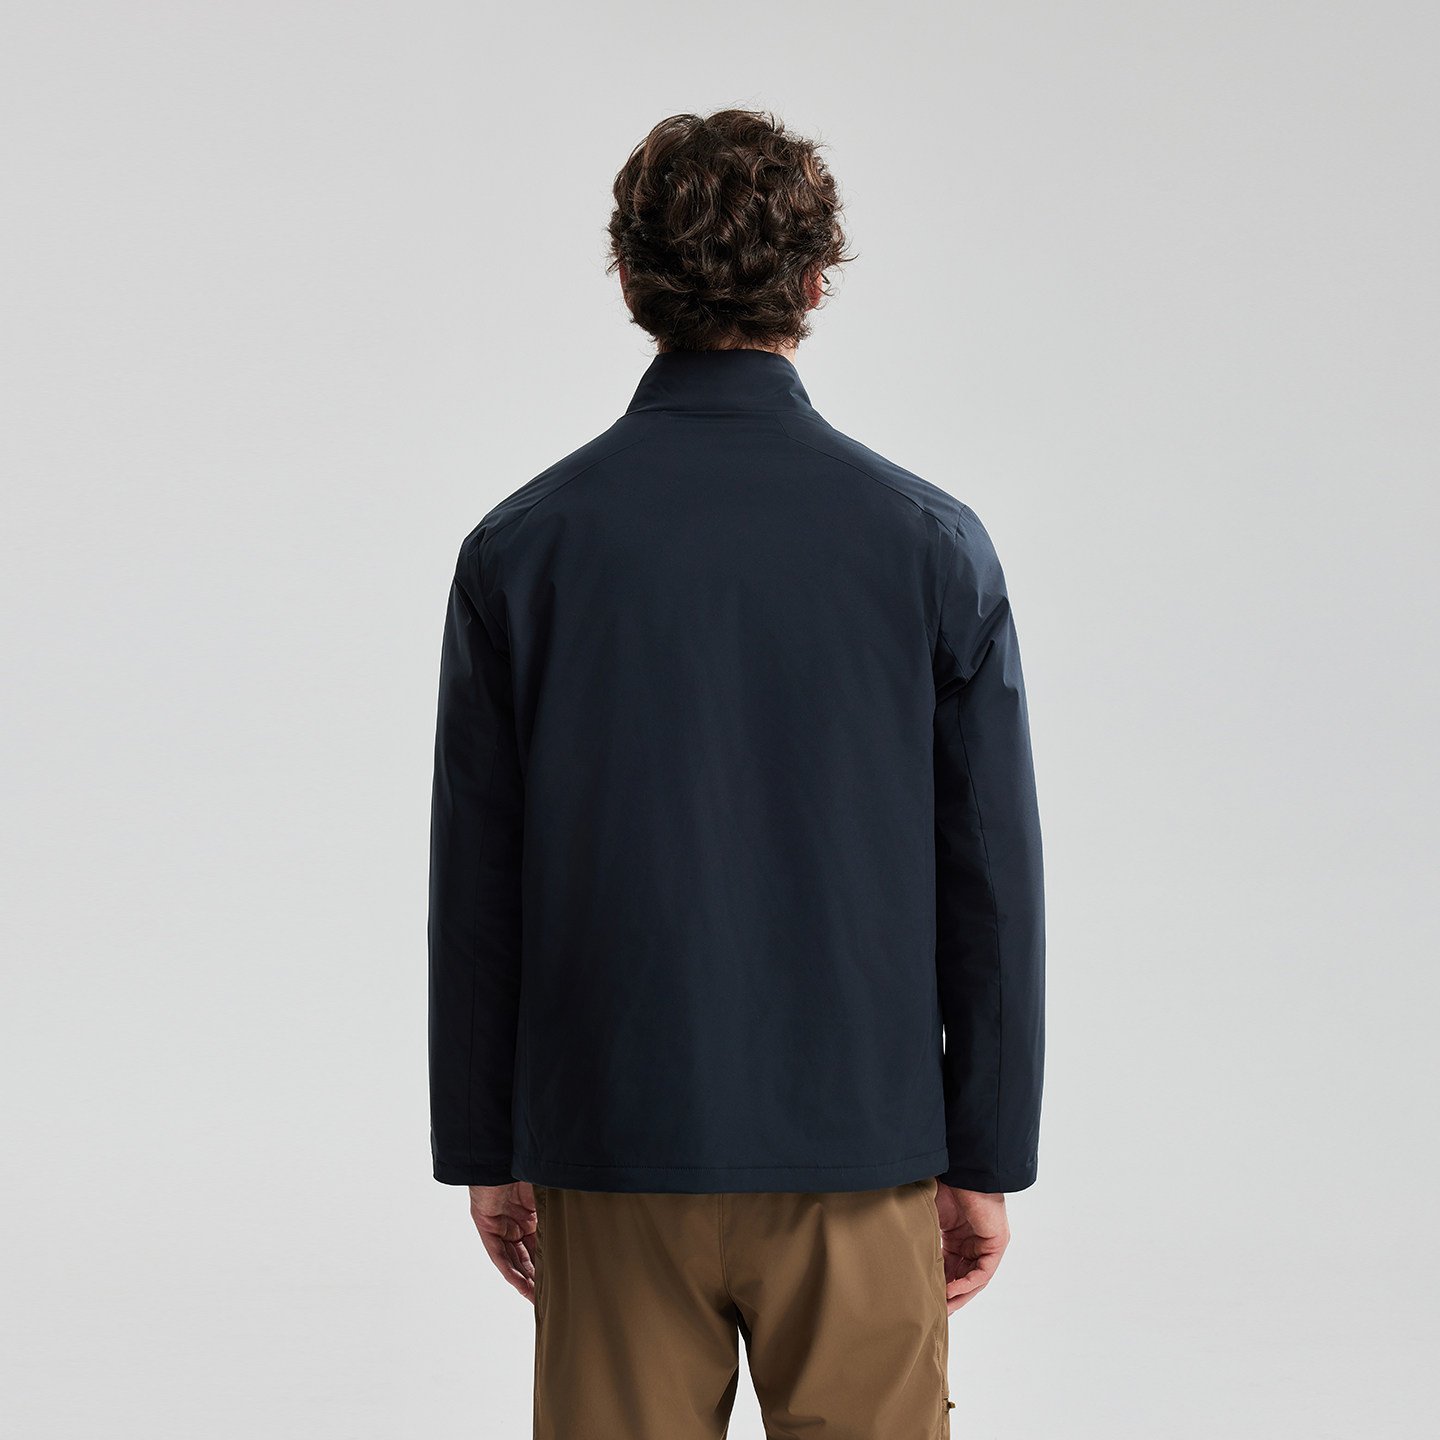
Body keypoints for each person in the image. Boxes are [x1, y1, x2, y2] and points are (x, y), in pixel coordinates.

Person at [428, 108, 1045, 1440]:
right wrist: (986, 1149)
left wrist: (486, 1145)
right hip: (862, 1153)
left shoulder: (522, 549)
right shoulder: (931, 545)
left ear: (629, 277)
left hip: (611, 1144)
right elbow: (989, 881)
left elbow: (478, 883)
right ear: (817, 282)